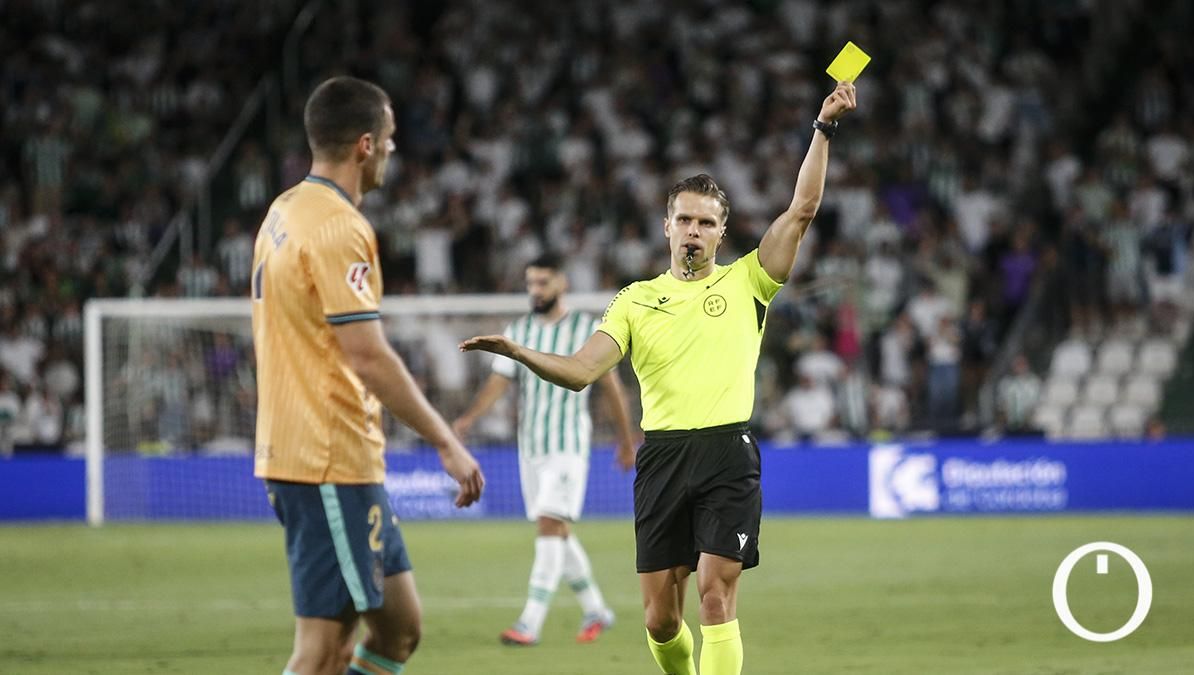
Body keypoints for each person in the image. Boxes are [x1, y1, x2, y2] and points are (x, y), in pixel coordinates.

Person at [462, 82, 857, 675]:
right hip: (663, 458)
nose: (694, 231)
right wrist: (518, 351)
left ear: (721, 233)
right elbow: (580, 371)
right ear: (666, 226)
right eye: (684, 220)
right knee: (660, 621)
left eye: (705, 222)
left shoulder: (749, 280)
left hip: (727, 452)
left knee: (715, 597)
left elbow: (801, 210)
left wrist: (822, 129)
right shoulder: (634, 301)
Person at [252, 76, 485, 675]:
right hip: (326, 455)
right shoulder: (338, 227)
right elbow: (367, 354)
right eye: (389, 140)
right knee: (323, 647)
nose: (392, 151)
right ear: (364, 145)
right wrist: (445, 440)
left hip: (327, 454)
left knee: (398, 628)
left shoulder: (285, 210)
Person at [452, 252, 639, 646]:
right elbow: (498, 383)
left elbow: (611, 389)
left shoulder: (586, 330)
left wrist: (626, 440)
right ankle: (596, 609)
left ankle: (529, 623)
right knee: (558, 531)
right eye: (530, 283)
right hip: (531, 448)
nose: (535, 290)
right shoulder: (518, 330)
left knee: (549, 526)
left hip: (568, 445)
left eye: (543, 282)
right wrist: (468, 419)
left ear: (562, 283)